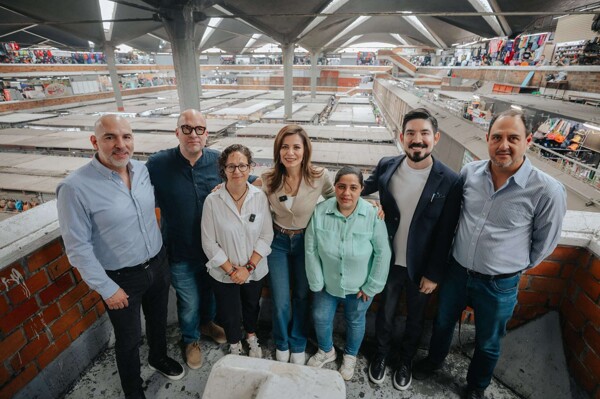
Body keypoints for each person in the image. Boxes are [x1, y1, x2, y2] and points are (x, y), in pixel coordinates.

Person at [413, 109, 567, 399]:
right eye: (497, 137)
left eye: (513, 138)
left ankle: (476, 386)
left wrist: (508, 266)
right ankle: (434, 361)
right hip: (457, 272)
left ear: (528, 141)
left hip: (499, 284)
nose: (503, 145)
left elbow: (545, 244)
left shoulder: (546, 191)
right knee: (443, 323)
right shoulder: (470, 173)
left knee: (489, 341)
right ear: (487, 139)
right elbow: (453, 219)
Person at [56, 115, 184, 399]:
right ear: (94, 141)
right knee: (128, 339)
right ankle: (132, 389)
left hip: (157, 263)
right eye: (110, 137)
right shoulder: (75, 188)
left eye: (126, 136)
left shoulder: (141, 170)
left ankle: (158, 358)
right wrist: (107, 288)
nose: (120, 144)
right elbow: (77, 247)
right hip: (121, 279)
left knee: (158, 320)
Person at [362, 108, 463, 390]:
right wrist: (368, 203)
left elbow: (447, 232)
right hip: (388, 260)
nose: (417, 140)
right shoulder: (387, 165)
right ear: (402, 137)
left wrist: (434, 274)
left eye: (424, 134)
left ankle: (405, 360)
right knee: (386, 312)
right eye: (411, 133)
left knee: (415, 319)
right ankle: (380, 355)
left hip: (422, 266)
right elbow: (358, 190)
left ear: (436, 138)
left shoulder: (450, 180)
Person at [146, 109, 227, 370]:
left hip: (213, 250)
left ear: (206, 133)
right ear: (177, 132)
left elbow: (243, 180)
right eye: (187, 128)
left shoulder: (218, 161)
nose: (194, 134)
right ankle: (191, 339)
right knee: (189, 301)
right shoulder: (158, 164)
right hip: (180, 250)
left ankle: (208, 323)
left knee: (211, 295)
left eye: (199, 129)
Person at [305, 167, 391, 380]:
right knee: (320, 316)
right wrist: (317, 282)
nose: (346, 193)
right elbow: (311, 248)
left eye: (353, 187)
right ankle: (326, 350)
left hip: (360, 287)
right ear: (334, 187)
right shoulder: (320, 212)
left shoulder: (372, 214)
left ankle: (350, 355)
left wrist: (372, 286)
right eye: (341, 186)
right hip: (327, 283)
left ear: (362, 189)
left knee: (356, 320)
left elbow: (383, 253)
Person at [261, 125, 335, 365]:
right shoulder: (268, 178)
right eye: (285, 147)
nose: (290, 152)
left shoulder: (319, 176)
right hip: (278, 243)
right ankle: (281, 342)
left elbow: (340, 199)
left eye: (296, 147)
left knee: (303, 296)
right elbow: (245, 194)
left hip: (307, 242)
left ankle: (298, 343)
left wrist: (370, 205)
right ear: (278, 151)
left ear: (305, 151)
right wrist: (224, 187)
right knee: (281, 299)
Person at [201, 144, 273, 357]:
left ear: (250, 167)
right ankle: (234, 343)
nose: (237, 171)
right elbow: (208, 242)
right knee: (229, 312)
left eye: (242, 165)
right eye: (231, 166)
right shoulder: (213, 201)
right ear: (223, 169)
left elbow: (266, 235)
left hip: (254, 269)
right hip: (224, 273)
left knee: (252, 306)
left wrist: (248, 268)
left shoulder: (259, 197)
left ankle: (251, 337)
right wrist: (232, 271)